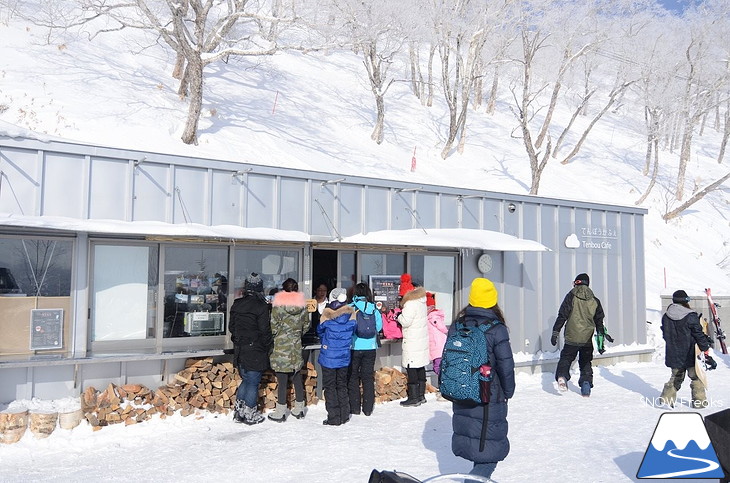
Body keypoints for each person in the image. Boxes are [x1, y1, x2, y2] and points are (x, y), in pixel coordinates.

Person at [451, 277, 516, 481]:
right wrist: (508, 391)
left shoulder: (458, 325)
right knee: (488, 457)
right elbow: (506, 366)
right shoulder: (496, 329)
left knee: (478, 447)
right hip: (489, 397)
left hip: (462, 393)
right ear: (492, 301)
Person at [550, 273, 610, 397]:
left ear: (577, 282)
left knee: (566, 358)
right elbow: (599, 322)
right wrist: (601, 341)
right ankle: (586, 384)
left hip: (572, 337)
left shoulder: (571, 296)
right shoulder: (595, 300)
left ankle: (562, 376)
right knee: (585, 362)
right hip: (587, 339)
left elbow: (562, 315)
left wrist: (556, 332)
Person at [228, 273, 272, 425]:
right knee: (253, 382)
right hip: (255, 349)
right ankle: (250, 413)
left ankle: (239, 412)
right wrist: (268, 345)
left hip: (240, 348)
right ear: (260, 287)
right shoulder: (261, 306)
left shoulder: (237, 303)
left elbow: (231, 327)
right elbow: (264, 330)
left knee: (245, 380)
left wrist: (239, 338)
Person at [660, 289, 713, 408]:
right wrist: (705, 346)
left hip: (674, 353)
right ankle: (699, 403)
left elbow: (665, 335)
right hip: (689, 353)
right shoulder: (691, 316)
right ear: (685, 302)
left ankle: (666, 401)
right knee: (696, 378)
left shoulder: (666, 316)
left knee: (676, 377)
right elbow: (698, 334)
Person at [268, 278, 311, 422]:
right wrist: (296, 335)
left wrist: (278, 336)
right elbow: (306, 325)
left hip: (281, 346)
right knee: (297, 376)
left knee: (282, 379)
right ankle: (299, 408)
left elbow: (272, 326)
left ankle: (280, 411)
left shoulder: (278, 306)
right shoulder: (302, 306)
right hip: (296, 345)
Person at [318, 287, 357, 425]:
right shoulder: (352, 316)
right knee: (341, 384)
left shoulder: (326, 315)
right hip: (344, 356)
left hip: (328, 356)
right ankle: (344, 414)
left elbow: (320, 331)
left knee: (330, 386)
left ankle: (334, 417)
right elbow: (353, 332)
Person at [348, 282, 383, 416]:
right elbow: (378, 327)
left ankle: (355, 407)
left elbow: (348, 327)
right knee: (367, 377)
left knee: (353, 376)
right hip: (370, 347)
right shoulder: (374, 308)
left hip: (354, 346)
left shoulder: (351, 307)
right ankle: (368, 408)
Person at [397, 273, 430, 407]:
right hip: (421, 340)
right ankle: (421, 395)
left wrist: (398, 316)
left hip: (412, 340)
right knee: (420, 366)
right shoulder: (421, 301)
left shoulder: (410, 304)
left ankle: (414, 397)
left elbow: (405, 321)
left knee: (412, 368)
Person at [425, 292, 448, 394]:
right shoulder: (431, 316)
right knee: (438, 367)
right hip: (437, 346)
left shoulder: (432, 317)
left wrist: (446, 331)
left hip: (438, 346)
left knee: (438, 367)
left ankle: (445, 386)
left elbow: (441, 327)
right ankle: (444, 385)